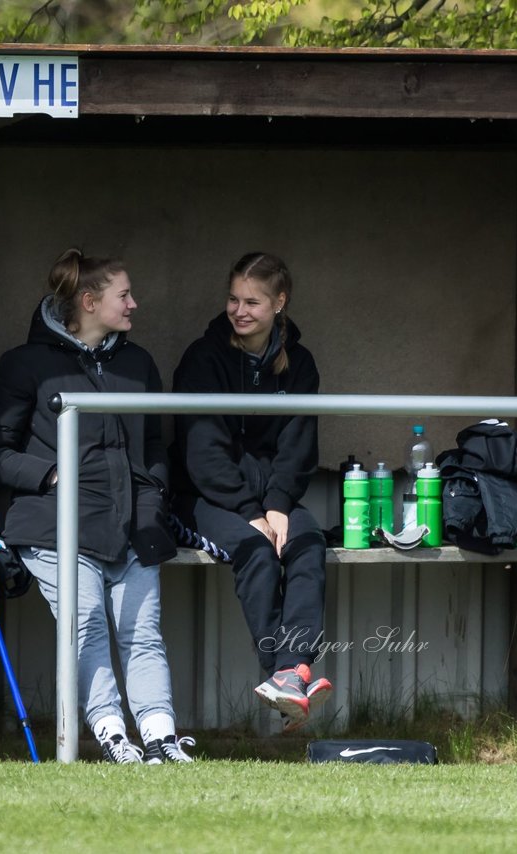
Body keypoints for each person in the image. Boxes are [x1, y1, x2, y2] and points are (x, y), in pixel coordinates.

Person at [0, 248, 194, 764]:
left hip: (133, 523)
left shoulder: (137, 363)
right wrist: (50, 476)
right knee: (88, 620)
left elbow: (155, 447)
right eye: (124, 295)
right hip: (56, 526)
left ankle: (161, 736)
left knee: (142, 629)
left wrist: (155, 497)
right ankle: (113, 734)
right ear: (90, 301)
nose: (134, 304)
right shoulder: (25, 364)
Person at [170, 252, 333, 732]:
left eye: (253, 302)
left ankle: (292, 670)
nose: (239, 310)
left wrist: (279, 505)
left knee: (308, 544)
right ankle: (281, 672)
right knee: (257, 553)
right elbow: (203, 453)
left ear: (279, 303)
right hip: (204, 498)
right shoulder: (203, 358)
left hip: (270, 499)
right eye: (233, 299)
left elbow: (298, 445)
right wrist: (250, 511)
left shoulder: (299, 363)